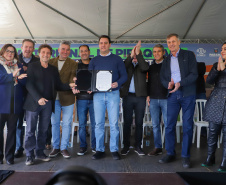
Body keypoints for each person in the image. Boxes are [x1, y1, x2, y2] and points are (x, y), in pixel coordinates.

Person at [23, 44, 75, 165]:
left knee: (43, 129)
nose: (45, 55)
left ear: (50, 55)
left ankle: (40, 153)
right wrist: (38, 98)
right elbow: (29, 84)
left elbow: (59, 85)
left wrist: (70, 85)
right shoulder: (32, 66)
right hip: (33, 103)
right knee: (30, 130)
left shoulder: (52, 69)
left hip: (48, 104)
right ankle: (29, 155)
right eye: (43, 52)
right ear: (39, 53)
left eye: (48, 53)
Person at [159, 33, 198, 168]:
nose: (171, 44)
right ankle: (170, 153)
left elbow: (194, 74)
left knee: (187, 126)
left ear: (179, 42)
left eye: (173, 41)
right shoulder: (166, 60)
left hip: (187, 94)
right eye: (169, 42)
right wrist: (168, 85)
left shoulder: (189, 56)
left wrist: (180, 83)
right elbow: (162, 78)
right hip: (172, 95)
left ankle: (186, 156)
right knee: (169, 125)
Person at [88, 35, 127, 160]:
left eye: (105, 43)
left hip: (113, 94)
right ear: (98, 45)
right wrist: (90, 87)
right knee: (98, 123)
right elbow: (90, 78)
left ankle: (114, 150)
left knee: (114, 123)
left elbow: (124, 76)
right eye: (101, 43)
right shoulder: (94, 60)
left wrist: (118, 83)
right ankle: (100, 150)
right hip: (98, 95)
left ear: (109, 45)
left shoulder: (117, 59)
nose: (103, 45)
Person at [48, 41, 77, 159]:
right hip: (53, 97)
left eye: (67, 50)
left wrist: (72, 82)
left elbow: (72, 78)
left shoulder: (73, 63)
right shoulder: (50, 62)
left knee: (66, 124)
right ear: (58, 50)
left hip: (68, 97)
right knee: (54, 123)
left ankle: (64, 147)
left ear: (69, 51)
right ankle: (55, 147)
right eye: (63, 49)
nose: (65, 51)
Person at [120, 41, 149, 156]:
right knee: (126, 122)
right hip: (128, 97)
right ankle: (126, 146)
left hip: (140, 97)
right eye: (134, 55)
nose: (136, 57)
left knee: (139, 122)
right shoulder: (127, 65)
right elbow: (122, 67)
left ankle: (138, 146)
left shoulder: (143, 64)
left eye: (138, 55)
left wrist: (139, 54)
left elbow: (145, 68)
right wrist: (131, 56)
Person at [0, 44, 27, 165]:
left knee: (12, 131)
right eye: (7, 51)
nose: (10, 53)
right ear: (3, 52)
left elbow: (25, 81)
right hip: (1, 104)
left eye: (12, 51)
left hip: (15, 104)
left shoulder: (19, 65)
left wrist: (19, 78)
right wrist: (13, 76)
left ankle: (10, 157)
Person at [202, 42, 226, 172]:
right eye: (222, 49)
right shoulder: (216, 65)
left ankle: (224, 162)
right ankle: (210, 158)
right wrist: (218, 69)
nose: (222, 51)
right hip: (216, 101)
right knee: (212, 133)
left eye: (225, 49)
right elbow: (209, 81)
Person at [15, 39, 39, 158]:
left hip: (32, 97)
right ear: (21, 47)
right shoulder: (15, 60)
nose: (28, 49)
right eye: (26, 47)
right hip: (18, 96)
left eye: (30, 47)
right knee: (18, 123)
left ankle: (33, 148)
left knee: (32, 125)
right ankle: (18, 148)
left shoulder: (38, 61)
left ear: (33, 49)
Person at [75, 45, 96, 155]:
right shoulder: (76, 66)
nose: (83, 53)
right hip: (81, 99)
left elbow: (98, 80)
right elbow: (73, 81)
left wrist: (94, 89)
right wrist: (74, 86)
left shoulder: (94, 64)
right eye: (81, 51)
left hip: (94, 99)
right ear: (79, 53)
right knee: (82, 125)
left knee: (94, 124)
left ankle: (94, 146)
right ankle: (83, 146)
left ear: (89, 52)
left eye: (85, 51)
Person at [146, 44, 168, 156]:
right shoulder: (151, 67)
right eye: (154, 52)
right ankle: (158, 147)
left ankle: (169, 149)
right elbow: (149, 83)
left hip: (166, 99)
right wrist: (148, 95)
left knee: (168, 124)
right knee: (155, 125)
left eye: (159, 51)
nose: (156, 54)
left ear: (163, 53)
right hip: (153, 99)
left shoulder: (168, 65)